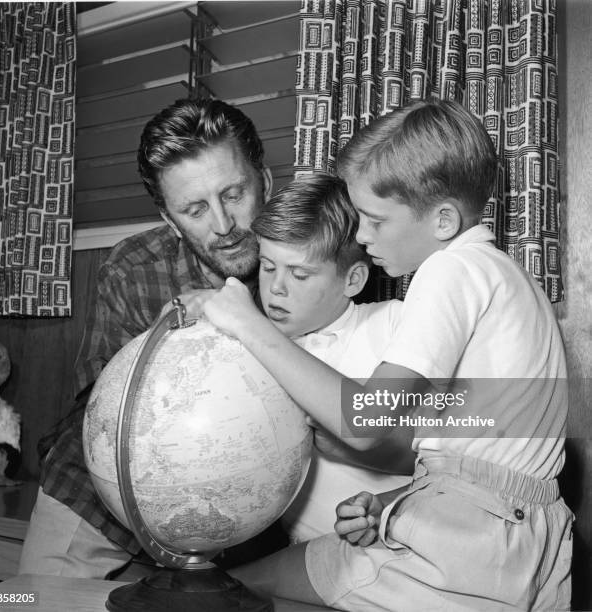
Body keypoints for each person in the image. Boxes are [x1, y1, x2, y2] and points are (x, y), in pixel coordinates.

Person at [203, 99, 573, 610]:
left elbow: (365, 422)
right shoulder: (511, 277)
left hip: (474, 548)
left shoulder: (452, 271)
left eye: (375, 220)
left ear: (443, 219)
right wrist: (393, 501)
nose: (361, 235)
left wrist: (247, 324)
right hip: (517, 539)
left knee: (228, 590)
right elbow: (494, 465)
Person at [19, 98, 275, 579]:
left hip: (248, 506)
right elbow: (96, 412)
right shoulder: (132, 269)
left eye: (235, 193)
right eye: (195, 209)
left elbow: (366, 409)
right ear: (169, 218)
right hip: (101, 499)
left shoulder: (318, 257)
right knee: (20, 604)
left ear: (265, 179)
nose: (223, 225)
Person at [251, 173, 414, 543]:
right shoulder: (249, 353)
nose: (275, 288)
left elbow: (443, 453)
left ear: (352, 280)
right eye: (267, 266)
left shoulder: (394, 324)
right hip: (306, 557)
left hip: (405, 539)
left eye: (299, 274)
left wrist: (350, 450)